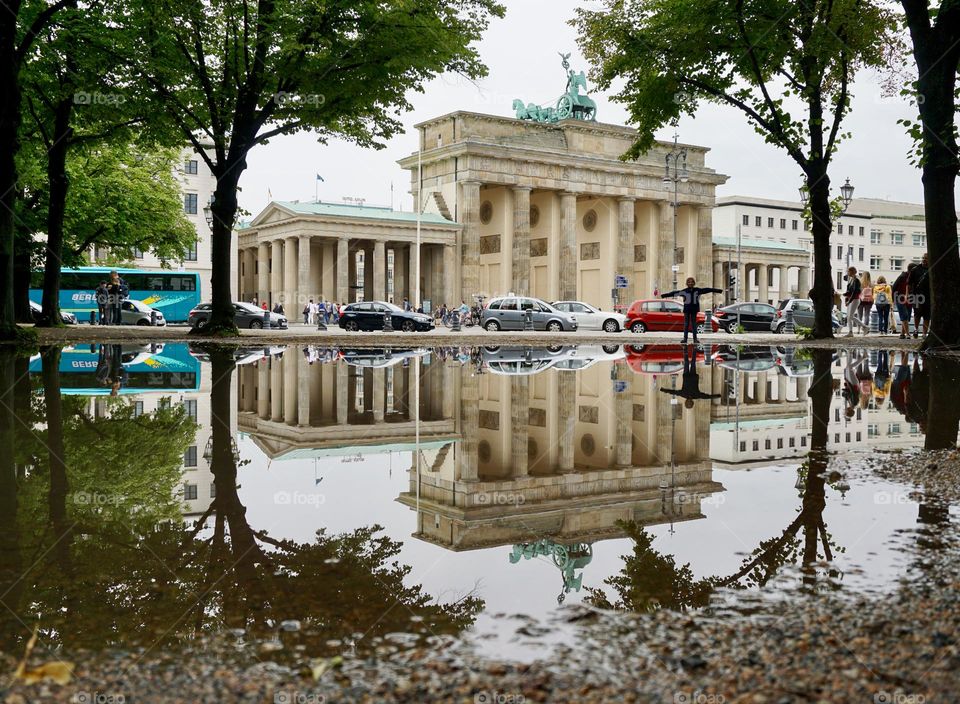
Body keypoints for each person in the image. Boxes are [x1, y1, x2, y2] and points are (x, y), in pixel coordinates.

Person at [659, 276, 723, 344]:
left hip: (694, 309)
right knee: (686, 324)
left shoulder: (697, 290)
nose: (690, 283)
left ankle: (695, 339)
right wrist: (664, 295)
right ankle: (685, 339)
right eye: (689, 282)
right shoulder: (684, 291)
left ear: (694, 283)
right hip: (687, 309)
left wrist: (718, 291)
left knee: (694, 324)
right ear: (687, 283)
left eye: (692, 282)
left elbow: (708, 289)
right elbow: (674, 293)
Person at [908, 253, 931, 339]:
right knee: (917, 313)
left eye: (926, 258)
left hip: (928, 296)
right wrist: (909, 294)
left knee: (927, 315)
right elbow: (909, 283)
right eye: (923, 258)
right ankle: (916, 329)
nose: (924, 260)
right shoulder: (915, 269)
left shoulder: (932, 269)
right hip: (917, 295)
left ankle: (924, 334)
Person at [842, 266, 866, 337]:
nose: (847, 273)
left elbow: (855, 292)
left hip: (855, 300)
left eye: (848, 271)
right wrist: (846, 295)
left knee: (850, 316)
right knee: (849, 316)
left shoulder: (856, 280)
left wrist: (849, 301)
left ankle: (864, 327)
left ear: (852, 272)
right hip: (852, 299)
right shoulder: (852, 279)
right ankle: (851, 332)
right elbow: (850, 290)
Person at [892, 265, 912, 339]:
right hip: (900, 298)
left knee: (907, 317)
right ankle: (908, 334)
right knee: (905, 315)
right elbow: (894, 287)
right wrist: (894, 299)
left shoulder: (912, 278)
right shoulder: (902, 277)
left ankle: (902, 334)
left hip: (910, 299)